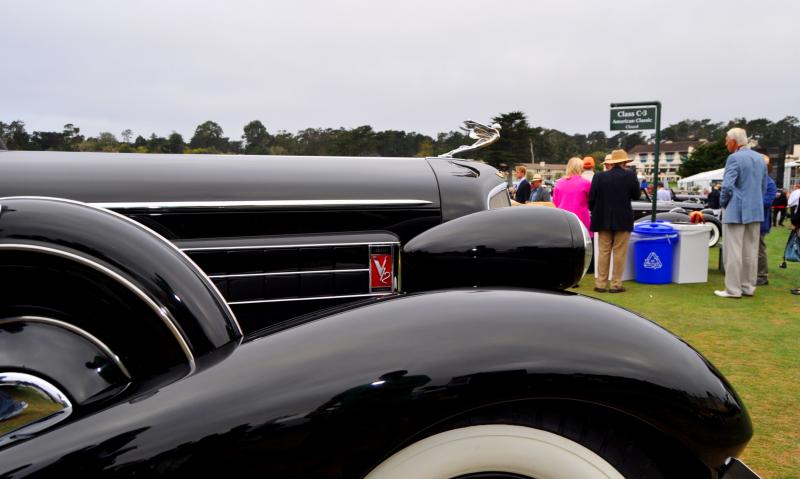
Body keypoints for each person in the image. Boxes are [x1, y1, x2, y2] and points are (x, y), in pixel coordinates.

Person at [714, 128, 768, 299]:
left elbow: (727, 186)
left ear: (734, 142)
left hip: (736, 210)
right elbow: (763, 186)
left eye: (726, 140)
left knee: (733, 252)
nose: (725, 143)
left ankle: (733, 289)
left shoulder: (734, 158)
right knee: (750, 251)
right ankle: (747, 287)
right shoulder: (759, 159)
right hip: (755, 210)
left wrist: (723, 204)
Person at [589, 149, 641, 293]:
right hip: (623, 218)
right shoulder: (630, 175)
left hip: (602, 218)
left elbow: (591, 198)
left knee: (604, 251)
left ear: (612, 161)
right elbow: (636, 195)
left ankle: (600, 284)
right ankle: (616, 284)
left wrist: (594, 211)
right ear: (624, 162)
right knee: (619, 252)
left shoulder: (599, 177)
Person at [554, 157, 592, 235]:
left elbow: (555, 202)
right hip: (581, 221)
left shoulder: (559, 183)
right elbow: (591, 202)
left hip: (563, 220)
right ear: (580, 168)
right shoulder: (586, 183)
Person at [757, 154, 777, 286]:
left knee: (759, 250)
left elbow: (766, 202)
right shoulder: (756, 181)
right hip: (755, 220)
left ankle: (762, 276)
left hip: (760, 221)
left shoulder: (769, 183)